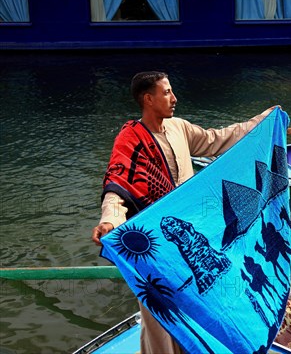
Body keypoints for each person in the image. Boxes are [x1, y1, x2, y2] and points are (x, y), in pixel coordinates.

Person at [91, 71, 275, 354]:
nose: (174, 98)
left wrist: (261, 122)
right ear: (148, 99)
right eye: (166, 93)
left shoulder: (179, 128)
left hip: (192, 234)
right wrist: (109, 221)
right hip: (157, 249)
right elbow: (118, 185)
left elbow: (216, 140)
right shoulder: (131, 140)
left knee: (197, 311)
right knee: (160, 320)